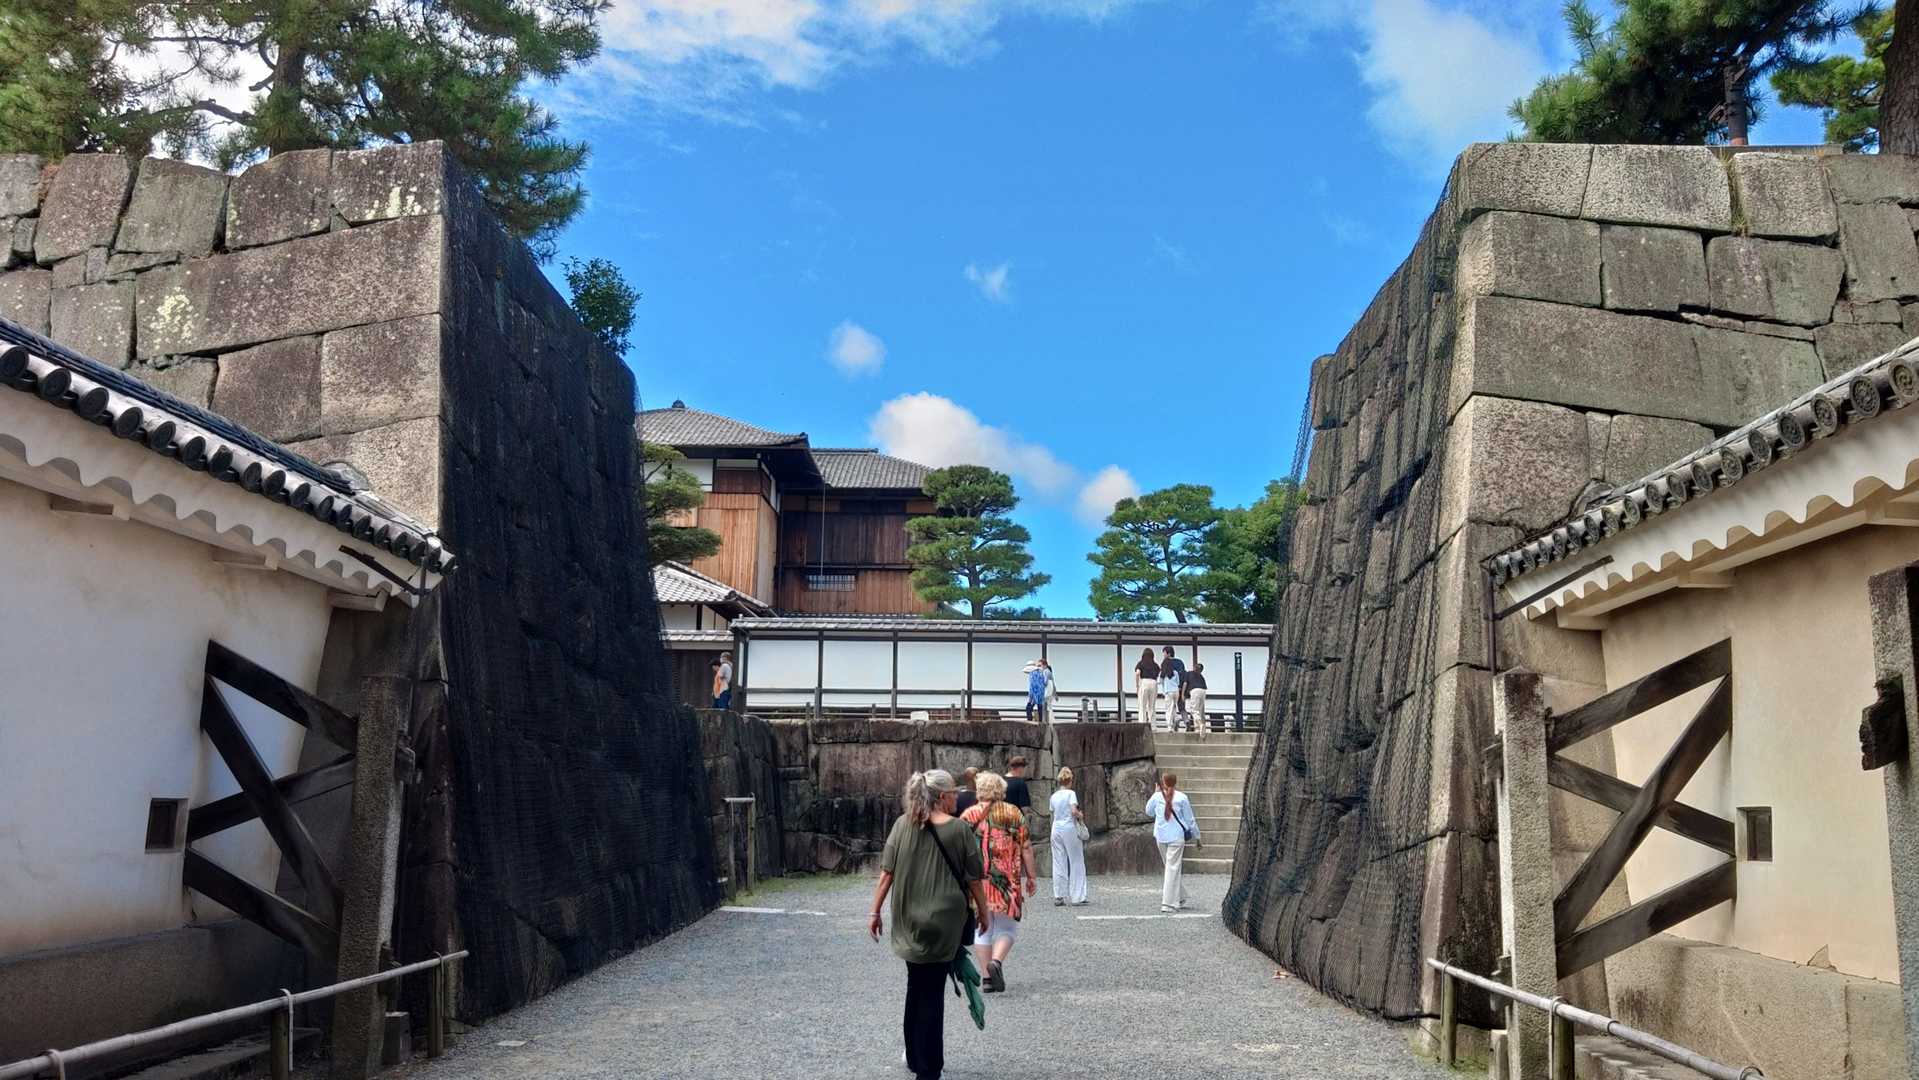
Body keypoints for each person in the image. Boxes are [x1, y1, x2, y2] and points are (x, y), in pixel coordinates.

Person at [870, 770, 991, 1080]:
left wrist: (874, 912)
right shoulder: (958, 829)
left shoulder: (902, 825)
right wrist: (984, 912)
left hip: (909, 920)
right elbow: (974, 878)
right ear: (942, 796)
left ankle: (914, 1056)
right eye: (954, 792)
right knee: (933, 994)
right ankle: (929, 1069)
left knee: (915, 986)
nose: (957, 797)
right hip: (944, 923)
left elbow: (887, 873)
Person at [960, 771, 1037, 994]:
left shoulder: (969, 815)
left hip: (976, 881)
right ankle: (996, 962)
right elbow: (1026, 846)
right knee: (1008, 928)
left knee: (982, 927)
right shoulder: (1012, 812)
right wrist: (1031, 876)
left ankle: (987, 979)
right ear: (1000, 790)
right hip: (1006, 881)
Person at [1144, 772, 1201, 913]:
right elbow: (1190, 819)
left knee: (1170, 868)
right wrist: (1197, 837)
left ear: (1163, 783)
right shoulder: (1182, 797)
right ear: (1175, 783)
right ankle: (1175, 899)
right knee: (1172, 868)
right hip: (1176, 836)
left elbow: (1148, 812)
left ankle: (1171, 902)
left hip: (1161, 836)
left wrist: (1155, 793)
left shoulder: (1157, 797)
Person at [1049, 767, 1089, 906]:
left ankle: (1059, 895)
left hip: (1056, 828)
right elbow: (1073, 810)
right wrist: (1080, 815)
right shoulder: (1071, 794)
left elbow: (1053, 812)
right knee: (1076, 860)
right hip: (1069, 828)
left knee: (1058, 861)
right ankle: (1078, 896)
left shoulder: (1053, 796)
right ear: (1070, 780)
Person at [1159, 646, 1187, 731]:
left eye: (1164, 653)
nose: (1163, 655)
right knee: (1177, 706)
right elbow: (1180, 679)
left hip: (1169, 691)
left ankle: (1170, 725)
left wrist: (1163, 690)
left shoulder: (1164, 669)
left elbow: (1161, 681)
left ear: (1168, 653)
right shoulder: (1178, 665)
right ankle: (1181, 719)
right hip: (1178, 690)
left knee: (1169, 708)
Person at [1134, 648, 1160, 726]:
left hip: (1144, 682)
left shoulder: (1141, 663)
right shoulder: (1155, 665)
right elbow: (1158, 674)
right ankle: (1153, 726)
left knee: (1142, 706)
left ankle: (1142, 725)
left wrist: (1137, 685)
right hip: (1154, 683)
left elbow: (1137, 673)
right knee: (1152, 706)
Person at [1184, 662, 1209, 736]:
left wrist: (1182, 694)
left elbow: (1185, 684)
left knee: (1194, 710)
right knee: (1200, 710)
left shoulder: (1189, 673)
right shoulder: (1201, 677)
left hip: (1194, 691)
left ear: (1194, 668)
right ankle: (1198, 729)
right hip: (1203, 691)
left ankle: (1200, 723)